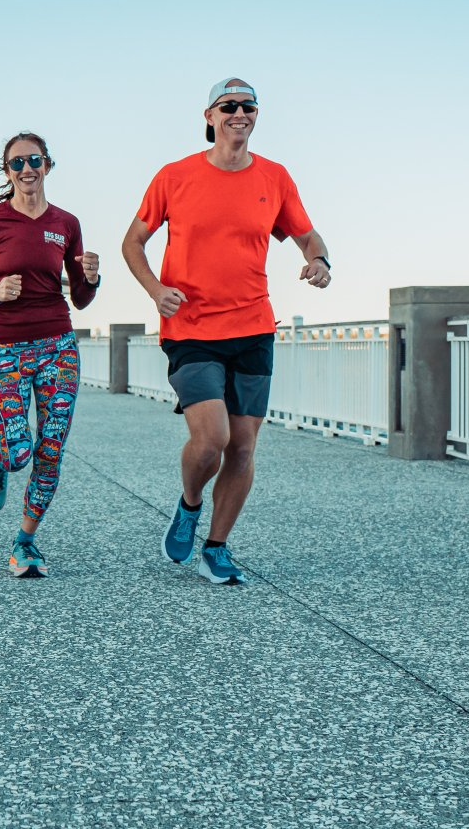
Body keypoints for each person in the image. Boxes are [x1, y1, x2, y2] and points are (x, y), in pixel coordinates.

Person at [122, 78, 330, 586]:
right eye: (229, 106)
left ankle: (216, 547)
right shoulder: (175, 177)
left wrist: (319, 259)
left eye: (249, 106)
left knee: (242, 446)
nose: (240, 113)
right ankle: (189, 503)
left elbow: (307, 234)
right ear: (210, 116)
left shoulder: (274, 178)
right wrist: (155, 290)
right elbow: (133, 243)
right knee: (211, 438)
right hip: (190, 326)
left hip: (254, 327)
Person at [0, 132, 99, 577]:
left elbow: (82, 299)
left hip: (58, 345)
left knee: (50, 449)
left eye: (34, 160)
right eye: (16, 163)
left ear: (48, 165)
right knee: (20, 453)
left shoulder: (66, 223)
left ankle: (25, 543)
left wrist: (91, 277)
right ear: (7, 172)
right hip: (5, 349)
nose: (26, 169)